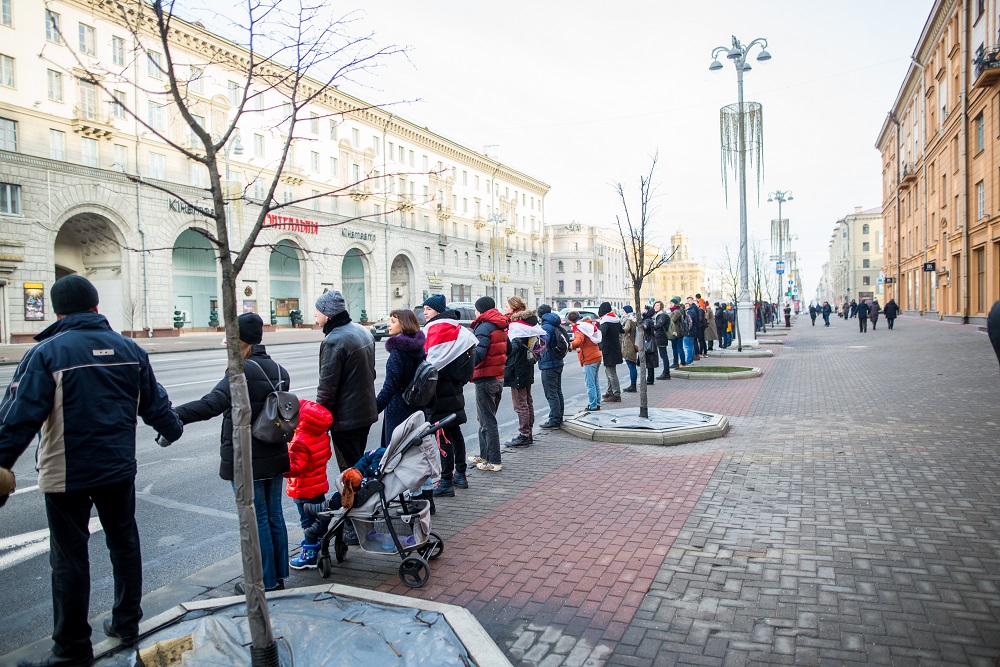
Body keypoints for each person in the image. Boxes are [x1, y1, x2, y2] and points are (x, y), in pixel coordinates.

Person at [0, 276, 183, 667]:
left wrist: (1, 464)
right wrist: (171, 429)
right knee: (124, 543)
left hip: (65, 473)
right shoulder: (129, 349)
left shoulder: (47, 353)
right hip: (118, 468)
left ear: (57, 312)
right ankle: (127, 622)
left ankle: (71, 650)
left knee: (69, 558)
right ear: (96, 308)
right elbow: (156, 404)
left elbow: (17, 418)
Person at [175, 312, 292, 594]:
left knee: (259, 517)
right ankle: (278, 576)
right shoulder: (279, 370)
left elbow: (211, 404)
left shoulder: (240, 372)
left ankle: (263, 580)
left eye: (230, 336)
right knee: (274, 514)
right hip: (274, 451)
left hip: (248, 455)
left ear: (240, 341)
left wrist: (173, 415)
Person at [314, 289, 377, 470]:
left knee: (350, 471)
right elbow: (370, 374)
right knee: (358, 463)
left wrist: (318, 422)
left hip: (345, 419)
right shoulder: (362, 331)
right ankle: (364, 495)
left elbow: (326, 389)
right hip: (365, 412)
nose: (315, 314)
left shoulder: (333, 341)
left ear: (327, 314)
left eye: (318, 310)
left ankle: (358, 498)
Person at [422, 295, 476, 494]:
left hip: (438, 392)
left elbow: (428, 363)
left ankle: (445, 482)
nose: (424, 312)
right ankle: (460, 475)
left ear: (437, 310)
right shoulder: (459, 330)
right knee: (454, 433)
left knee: (442, 436)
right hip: (455, 389)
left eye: (428, 309)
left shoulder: (435, 330)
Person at [285, 399, 334, 570]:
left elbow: (296, 469)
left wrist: (282, 467)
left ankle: (310, 556)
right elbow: (327, 455)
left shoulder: (300, 440)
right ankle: (318, 544)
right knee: (318, 518)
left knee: (307, 522)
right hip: (318, 485)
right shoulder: (321, 434)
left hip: (303, 489)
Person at [468, 297, 508, 472]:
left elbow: (479, 353)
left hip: (485, 378)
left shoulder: (484, 327)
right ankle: (484, 456)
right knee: (484, 419)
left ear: (480, 310)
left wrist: (466, 368)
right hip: (498, 377)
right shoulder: (500, 324)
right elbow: (510, 348)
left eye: (476, 309)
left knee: (488, 421)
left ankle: (494, 461)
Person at [503, 296, 545, 446]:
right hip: (527, 365)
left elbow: (514, 348)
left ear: (514, 308)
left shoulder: (517, 326)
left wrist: (505, 349)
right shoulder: (529, 322)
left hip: (517, 367)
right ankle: (529, 432)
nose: (505, 309)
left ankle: (524, 435)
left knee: (520, 403)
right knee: (527, 400)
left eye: (507, 306)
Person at [537, 304, 567, 425]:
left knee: (551, 393)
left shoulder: (546, 326)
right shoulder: (555, 323)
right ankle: (559, 417)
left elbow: (543, 342)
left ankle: (554, 419)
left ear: (540, 315)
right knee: (557, 391)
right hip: (558, 360)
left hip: (549, 362)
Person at [568, 311, 603, 411]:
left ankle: (592, 406)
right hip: (596, 355)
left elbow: (579, 340)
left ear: (571, 321)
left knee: (590, 384)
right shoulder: (587, 325)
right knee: (595, 382)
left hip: (589, 358)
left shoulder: (579, 328)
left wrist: (571, 345)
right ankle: (597, 403)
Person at [597, 302, 623, 403]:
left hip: (609, 349)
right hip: (615, 347)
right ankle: (610, 391)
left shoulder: (606, 321)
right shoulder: (615, 319)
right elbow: (622, 330)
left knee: (611, 373)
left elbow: (601, 333)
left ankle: (616, 394)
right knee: (608, 371)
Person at [620, 305, 639, 392]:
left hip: (628, 345)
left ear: (627, 311)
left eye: (623, 311)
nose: (622, 312)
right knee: (632, 365)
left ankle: (633, 385)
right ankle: (633, 384)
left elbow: (626, 329)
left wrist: (621, 329)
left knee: (631, 365)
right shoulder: (634, 318)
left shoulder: (628, 320)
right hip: (632, 344)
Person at [652, 300, 672, 379]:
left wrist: (650, 327)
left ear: (661, 307)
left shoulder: (662, 315)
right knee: (663, 355)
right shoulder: (658, 315)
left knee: (664, 355)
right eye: (655, 306)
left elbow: (659, 325)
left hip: (661, 337)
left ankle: (666, 373)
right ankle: (666, 372)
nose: (655, 307)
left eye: (657, 306)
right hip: (660, 336)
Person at [641, 305, 659, 384]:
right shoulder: (648, 319)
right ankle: (649, 378)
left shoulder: (647, 320)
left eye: (645, 310)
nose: (643, 311)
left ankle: (650, 379)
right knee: (649, 361)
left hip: (648, 341)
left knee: (649, 361)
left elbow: (644, 327)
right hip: (649, 340)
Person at [668, 297, 685, 368]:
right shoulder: (674, 311)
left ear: (675, 304)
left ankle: (679, 362)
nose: (670, 304)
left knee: (678, 348)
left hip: (677, 332)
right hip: (676, 332)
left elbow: (672, 321)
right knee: (676, 347)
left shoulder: (677, 311)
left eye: (672, 303)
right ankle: (677, 362)